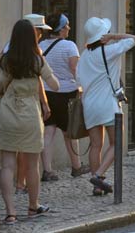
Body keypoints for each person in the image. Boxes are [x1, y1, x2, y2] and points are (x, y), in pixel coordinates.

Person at [0, 19, 59, 225]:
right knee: (32, 166)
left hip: (7, 112)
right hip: (30, 115)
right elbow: (55, 85)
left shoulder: (5, 60)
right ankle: (33, 206)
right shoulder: (37, 60)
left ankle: (10, 212)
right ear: (33, 38)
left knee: (7, 165)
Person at [76, 17, 135, 196]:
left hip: (89, 105)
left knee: (96, 145)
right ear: (103, 36)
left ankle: (97, 186)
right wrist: (114, 37)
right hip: (108, 104)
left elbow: (78, 81)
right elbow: (133, 39)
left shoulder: (83, 56)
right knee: (116, 143)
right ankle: (98, 174)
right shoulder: (110, 50)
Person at [38, 14, 88, 181]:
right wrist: (82, 87)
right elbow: (75, 69)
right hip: (67, 93)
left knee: (48, 132)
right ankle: (77, 166)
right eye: (66, 25)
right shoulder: (70, 46)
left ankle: (48, 170)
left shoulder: (41, 45)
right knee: (70, 132)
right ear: (60, 29)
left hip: (47, 92)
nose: (69, 28)